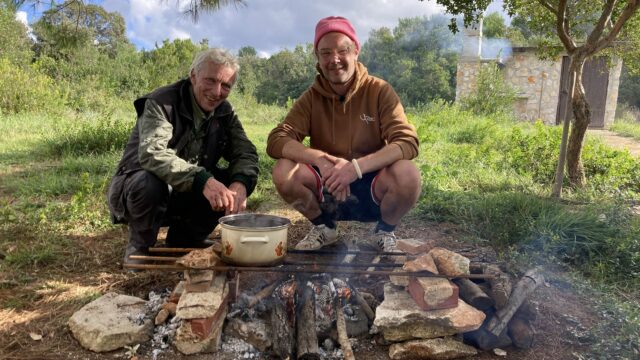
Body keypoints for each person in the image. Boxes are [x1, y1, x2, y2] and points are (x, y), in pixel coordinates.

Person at [266, 16, 421, 252]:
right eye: (325, 53)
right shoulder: (311, 97)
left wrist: (355, 168)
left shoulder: (379, 91)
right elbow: (277, 139)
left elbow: (407, 141)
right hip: (327, 188)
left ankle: (384, 231)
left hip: (372, 187)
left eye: (342, 50)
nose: (334, 60)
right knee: (284, 170)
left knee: (408, 174)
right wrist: (320, 160)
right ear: (316, 56)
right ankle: (324, 227)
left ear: (356, 51)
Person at [108, 48, 259, 267]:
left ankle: (186, 239)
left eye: (226, 85)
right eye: (211, 80)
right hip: (137, 189)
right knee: (150, 181)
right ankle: (140, 248)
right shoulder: (161, 101)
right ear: (193, 75)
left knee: (232, 181)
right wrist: (203, 180)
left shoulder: (224, 111)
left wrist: (240, 184)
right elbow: (153, 154)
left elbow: (245, 152)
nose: (217, 92)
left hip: (184, 192)